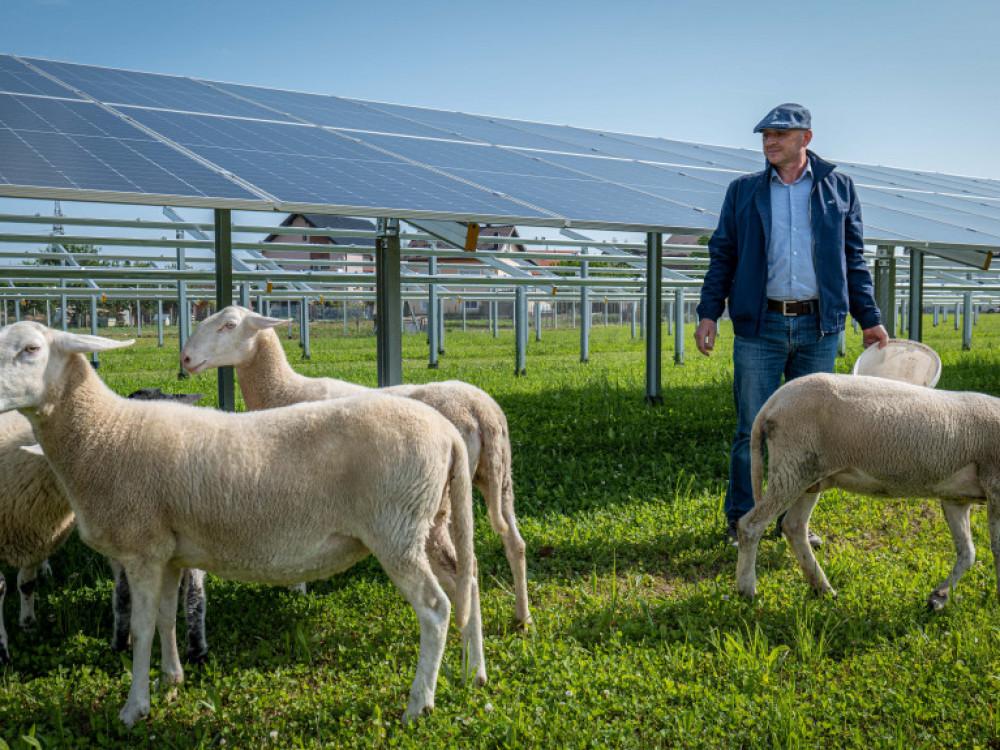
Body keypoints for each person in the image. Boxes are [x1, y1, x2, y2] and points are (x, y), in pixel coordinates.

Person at [694, 102, 889, 548]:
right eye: (765, 135)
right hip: (759, 327)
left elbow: (852, 261)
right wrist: (709, 312)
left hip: (818, 328)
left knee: (810, 435)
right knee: (753, 429)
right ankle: (742, 519)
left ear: (806, 138)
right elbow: (722, 254)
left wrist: (870, 319)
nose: (770, 142)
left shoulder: (837, 188)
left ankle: (791, 522)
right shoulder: (743, 191)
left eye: (780, 134)